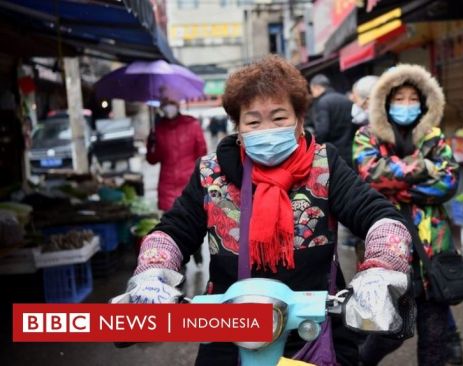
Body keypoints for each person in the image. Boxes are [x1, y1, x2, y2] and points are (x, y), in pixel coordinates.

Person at [112, 55, 413, 366]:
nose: (267, 129)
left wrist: (380, 267)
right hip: (228, 329)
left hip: (314, 328)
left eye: (279, 118)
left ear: (299, 119)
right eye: (253, 121)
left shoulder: (324, 165)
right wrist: (152, 272)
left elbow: (380, 215)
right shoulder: (211, 173)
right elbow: (173, 231)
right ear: (239, 128)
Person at [352, 64, 463, 366]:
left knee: (435, 335)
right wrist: (424, 168)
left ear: (424, 103)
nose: (405, 105)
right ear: (385, 103)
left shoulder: (435, 138)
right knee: (387, 329)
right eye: (398, 98)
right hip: (389, 249)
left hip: (432, 250)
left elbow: (448, 182)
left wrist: (399, 188)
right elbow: (372, 173)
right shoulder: (366, 136)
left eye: (412, 98)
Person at [146, 99, 208, 212]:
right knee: (171, 225)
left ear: (178, 104)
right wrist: (151, 143)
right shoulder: (158, 130)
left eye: (172, 102)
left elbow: (202, 154)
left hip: (189, 183)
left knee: (193, 222)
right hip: (167, 186)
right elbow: (152, 159)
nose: (169, 106)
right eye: (165, 103)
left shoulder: (192, 124)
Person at [306, 74, 355, 166]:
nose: (312, 94)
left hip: (335, 153)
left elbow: (323, 131)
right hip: (351, 149)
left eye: (312, 91)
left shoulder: (322, 102)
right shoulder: (345, 99)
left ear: (316, 87)